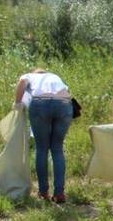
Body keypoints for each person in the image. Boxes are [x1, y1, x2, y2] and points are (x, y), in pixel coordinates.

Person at [13, 69, 73, 203]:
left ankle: (43, 192)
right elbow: (67, 93)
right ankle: (59, 193)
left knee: (42, 149)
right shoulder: (55, 77)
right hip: (64, 104)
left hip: (41, 103)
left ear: (35, 73)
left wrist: (17, 103)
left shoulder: (29, 76)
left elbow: (22, 82)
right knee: (57, 149)